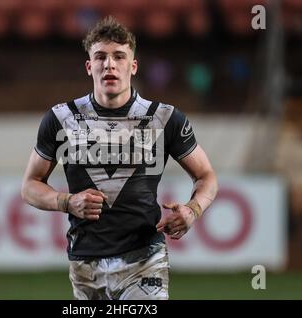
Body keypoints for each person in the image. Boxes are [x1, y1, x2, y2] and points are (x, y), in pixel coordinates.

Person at [21, 16, 218, 300]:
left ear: (133, 65)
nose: (109, 64)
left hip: (144, 258)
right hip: (84, 263)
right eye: (100, 56)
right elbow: (29, 185)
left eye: (119, 56)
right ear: (89, 67)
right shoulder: (61, 118)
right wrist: (67, 201)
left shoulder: (164, 118)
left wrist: (193, 210)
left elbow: (207, 176)